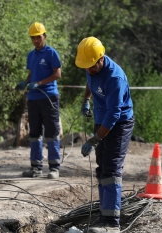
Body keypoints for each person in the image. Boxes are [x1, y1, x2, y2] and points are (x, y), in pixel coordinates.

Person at [75, 37, 134, 233]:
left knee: (111, 169)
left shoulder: (114, 77)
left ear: (101, 58)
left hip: (119, 123)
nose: (89, 69)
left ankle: (111, 224)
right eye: (87, 67)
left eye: (92, 65)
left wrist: (94, 139)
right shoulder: (90, 64)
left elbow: (114, 115)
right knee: (102, 169)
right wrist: (86, 100)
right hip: (101, 119)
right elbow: (90, 81)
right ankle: (104, 216)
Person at [15, 22, 61, 179]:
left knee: (52, 133)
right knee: (34, 133)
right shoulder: (31, 55)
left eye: (38, 37)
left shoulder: (51, 53)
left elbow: (57, 74)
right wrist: (26, 82)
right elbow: (31, 73)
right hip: (33, 98)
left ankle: (54, 168)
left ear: (44, 36)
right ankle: (36, 168)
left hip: (49, 97)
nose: (36, 40)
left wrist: (40, 83)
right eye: (33, 38)